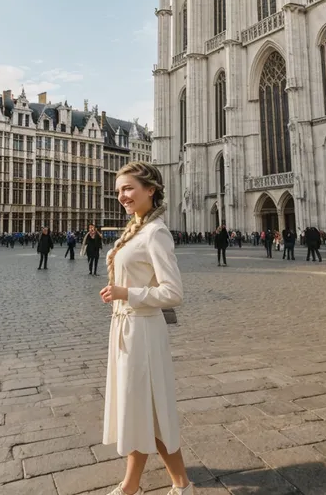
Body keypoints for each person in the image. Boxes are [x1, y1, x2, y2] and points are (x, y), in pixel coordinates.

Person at [99, 161, 193, 495]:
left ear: (150, 189)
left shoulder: (156, 232)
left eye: (128, 188)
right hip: (125, 330)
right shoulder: (136, 228)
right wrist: (119, 294)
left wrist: (128, 293)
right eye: (118, 191)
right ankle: (147, 483)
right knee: (138, 408)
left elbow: (174, 293)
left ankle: (147, 484)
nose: (122, 196)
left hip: (143, 333)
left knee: (147, 407)